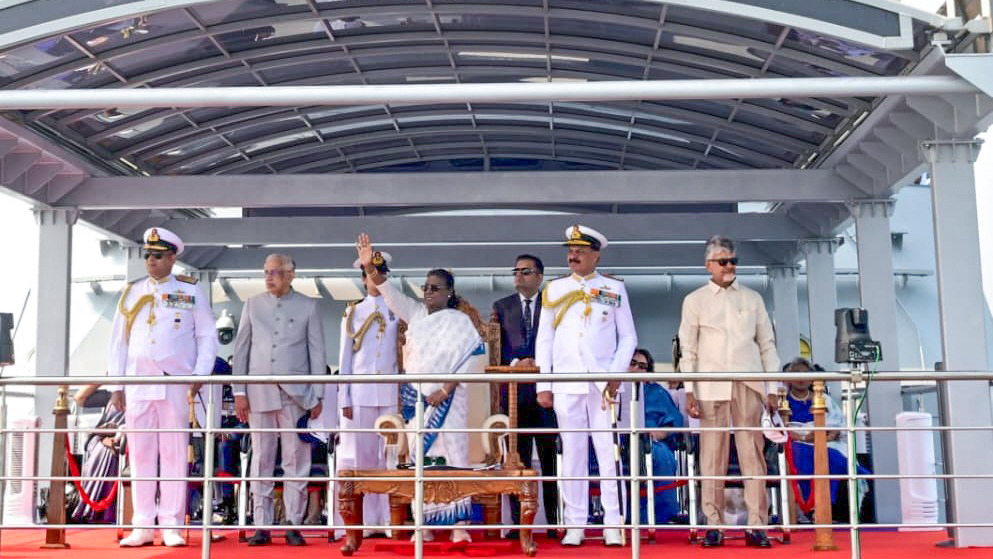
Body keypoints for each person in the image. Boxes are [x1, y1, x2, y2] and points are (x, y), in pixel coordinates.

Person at [356, 233, 483, 544]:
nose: (428, 292)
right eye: (425, 287)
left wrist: (446, 389)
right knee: (421, 459)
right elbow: (387, 290)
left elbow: (471, 361)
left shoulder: (460, 322)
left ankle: (459, 525)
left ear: (449, 292)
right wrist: (369, 265)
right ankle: (422, 524)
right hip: (419, 400)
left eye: (435, 288)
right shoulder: (415, 313)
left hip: (450, 401)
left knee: (454, 456)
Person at [107, 227, 217, 547]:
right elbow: (119, 342)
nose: (151, 261)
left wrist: (200, 374)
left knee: (173, 453)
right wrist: (116, 384)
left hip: (175, 382)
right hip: (138, 381)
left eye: (157, 256)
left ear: (171, 258)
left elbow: (206, 335)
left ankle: (170, 524)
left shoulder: (190, 290)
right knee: (140, 454)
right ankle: (142, 524)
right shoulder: (132, 292)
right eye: (148, 255)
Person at [535, 225, 637, 547]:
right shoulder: (554, 289)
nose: (573, 255)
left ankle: (613, 523)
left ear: (596, 255)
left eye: (580, 250)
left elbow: (628, 337)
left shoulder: (613, 288)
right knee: (573, 454)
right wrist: (544, 383)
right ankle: (575, 524)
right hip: (567, 381)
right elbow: (544, 339)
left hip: (604, 384)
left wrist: (616, 374)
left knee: (608, 453)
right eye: (571, 250)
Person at [678, 235, 780, 548]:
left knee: (752, 454)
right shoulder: (694, 300)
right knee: (711, 455)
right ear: (708, 265)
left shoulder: (753, 298)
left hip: (749, 382)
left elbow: (767, 345)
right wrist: (689, 389)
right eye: (723, 261)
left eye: (733, 261)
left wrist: (773, 388)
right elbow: (688, 350)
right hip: (709, 384)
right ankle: (714, 524)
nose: (730, 266)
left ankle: (757, 525)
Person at [232, 253, 326, 547]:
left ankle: (293, 524)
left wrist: (317, 394)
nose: (268, 277)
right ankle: (262, 524)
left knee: (296, 459)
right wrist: (239, 391)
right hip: (259, 392)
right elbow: (241, 350)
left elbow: (317, 353)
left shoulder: (309, 306)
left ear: (290, 274)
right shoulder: (252, 304)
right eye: (266, 272)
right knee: (261, 457)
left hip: (296, 395)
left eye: (274, 272)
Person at [491, 254, 559, 538]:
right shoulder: (502, 307)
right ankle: (519, 524)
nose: (519, 276)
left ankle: (553, 523)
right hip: (515, 395)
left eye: (526, 271)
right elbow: (496, 349)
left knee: (549, 461)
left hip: (546, 395)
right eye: (516, 271)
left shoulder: (554, 304)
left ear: (540, 276)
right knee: (516, 461)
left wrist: (540, 364)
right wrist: (518, 364)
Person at [337, 251, 401, 536]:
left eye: (380, 272)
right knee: (363, 459)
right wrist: (345, 398)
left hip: (389, 392)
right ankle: (365, 521)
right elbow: (345, 360)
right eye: (370, 274)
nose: (375, 278)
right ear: (363, 279)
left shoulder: (396, 309)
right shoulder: (353, 312)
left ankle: (388, 518)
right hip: (361, 393)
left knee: (389, 457)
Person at [781, 358, 868, 522]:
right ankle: (813, 508)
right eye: (796, 373)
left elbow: (837, 423)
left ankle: (822, 508)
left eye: (805, 374)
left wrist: (826, 436)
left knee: (828, 457)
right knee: (806, 455)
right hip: (796, 443)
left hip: (825, 441)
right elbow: (781, 428)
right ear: (789, 378)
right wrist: (805, 437)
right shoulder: (784, 400)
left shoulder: (824, 399)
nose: (801, 378)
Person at [630, 349, 683, 525]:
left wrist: (659, 433)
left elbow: (673, 422)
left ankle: (662, 516)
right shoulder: (612, 390)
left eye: (642, 366)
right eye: (632, 363)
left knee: (662, 456)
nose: (636, 368)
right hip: (619, 442)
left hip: (650, 442)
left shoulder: (656, 392)